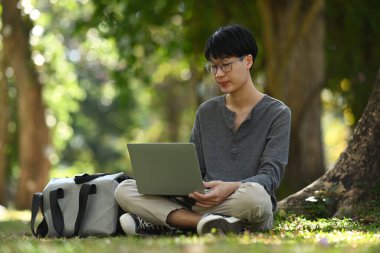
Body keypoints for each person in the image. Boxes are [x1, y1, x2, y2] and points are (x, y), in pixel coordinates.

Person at [114, 24, 291, 236]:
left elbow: (270, 176)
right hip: (202, 201)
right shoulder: (206, 112)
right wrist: (181, 186)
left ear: (248, 61)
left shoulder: (278, 113)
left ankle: (167, 221)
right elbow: (195, 169)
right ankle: (210, 223)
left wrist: (230, 187)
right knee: (124, 190)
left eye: (225, 65)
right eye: (213, 67)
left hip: (243, 200)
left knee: (257, 197)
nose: (218, 74)